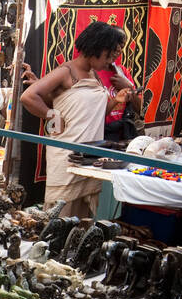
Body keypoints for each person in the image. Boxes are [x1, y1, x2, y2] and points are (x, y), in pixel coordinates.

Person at [19, 21, 131, 218]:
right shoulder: (66, 72)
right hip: (66, 157)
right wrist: (52, 116)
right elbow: (28, 97)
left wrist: (115, 102)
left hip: (87, 158)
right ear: (97, 48)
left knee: (81, 222)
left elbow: (92, 113)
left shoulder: (94, 74)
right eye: (110, 55)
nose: (111, 61)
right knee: (60, 217)